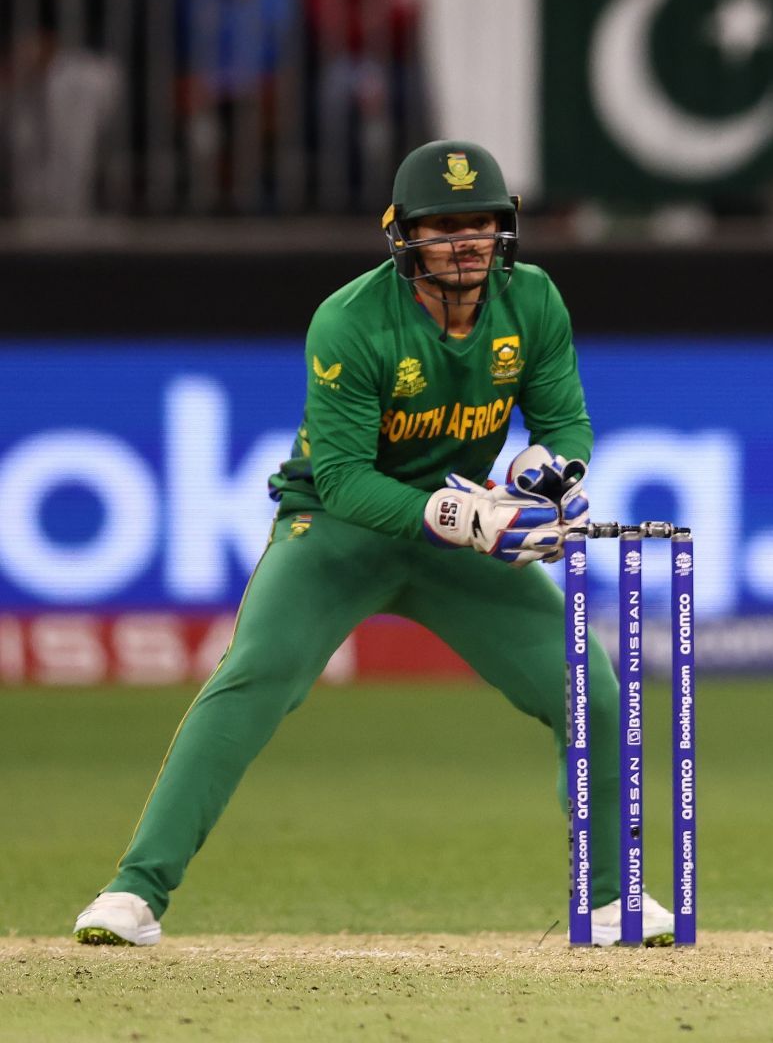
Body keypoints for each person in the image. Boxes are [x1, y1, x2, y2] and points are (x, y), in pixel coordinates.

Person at [71, 140, 672, 947]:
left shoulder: (532, 301)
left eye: (483, 226)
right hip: (339, 530)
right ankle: (134, 894)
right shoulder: (350, 321)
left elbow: (562, 420)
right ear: (403, 236)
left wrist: (545, 473)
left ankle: (608, 903)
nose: (466, 245)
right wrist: (468, 521)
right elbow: (350, 479)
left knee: (591, 689)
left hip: (458, 532)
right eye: (444, 227)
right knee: (254, 680)